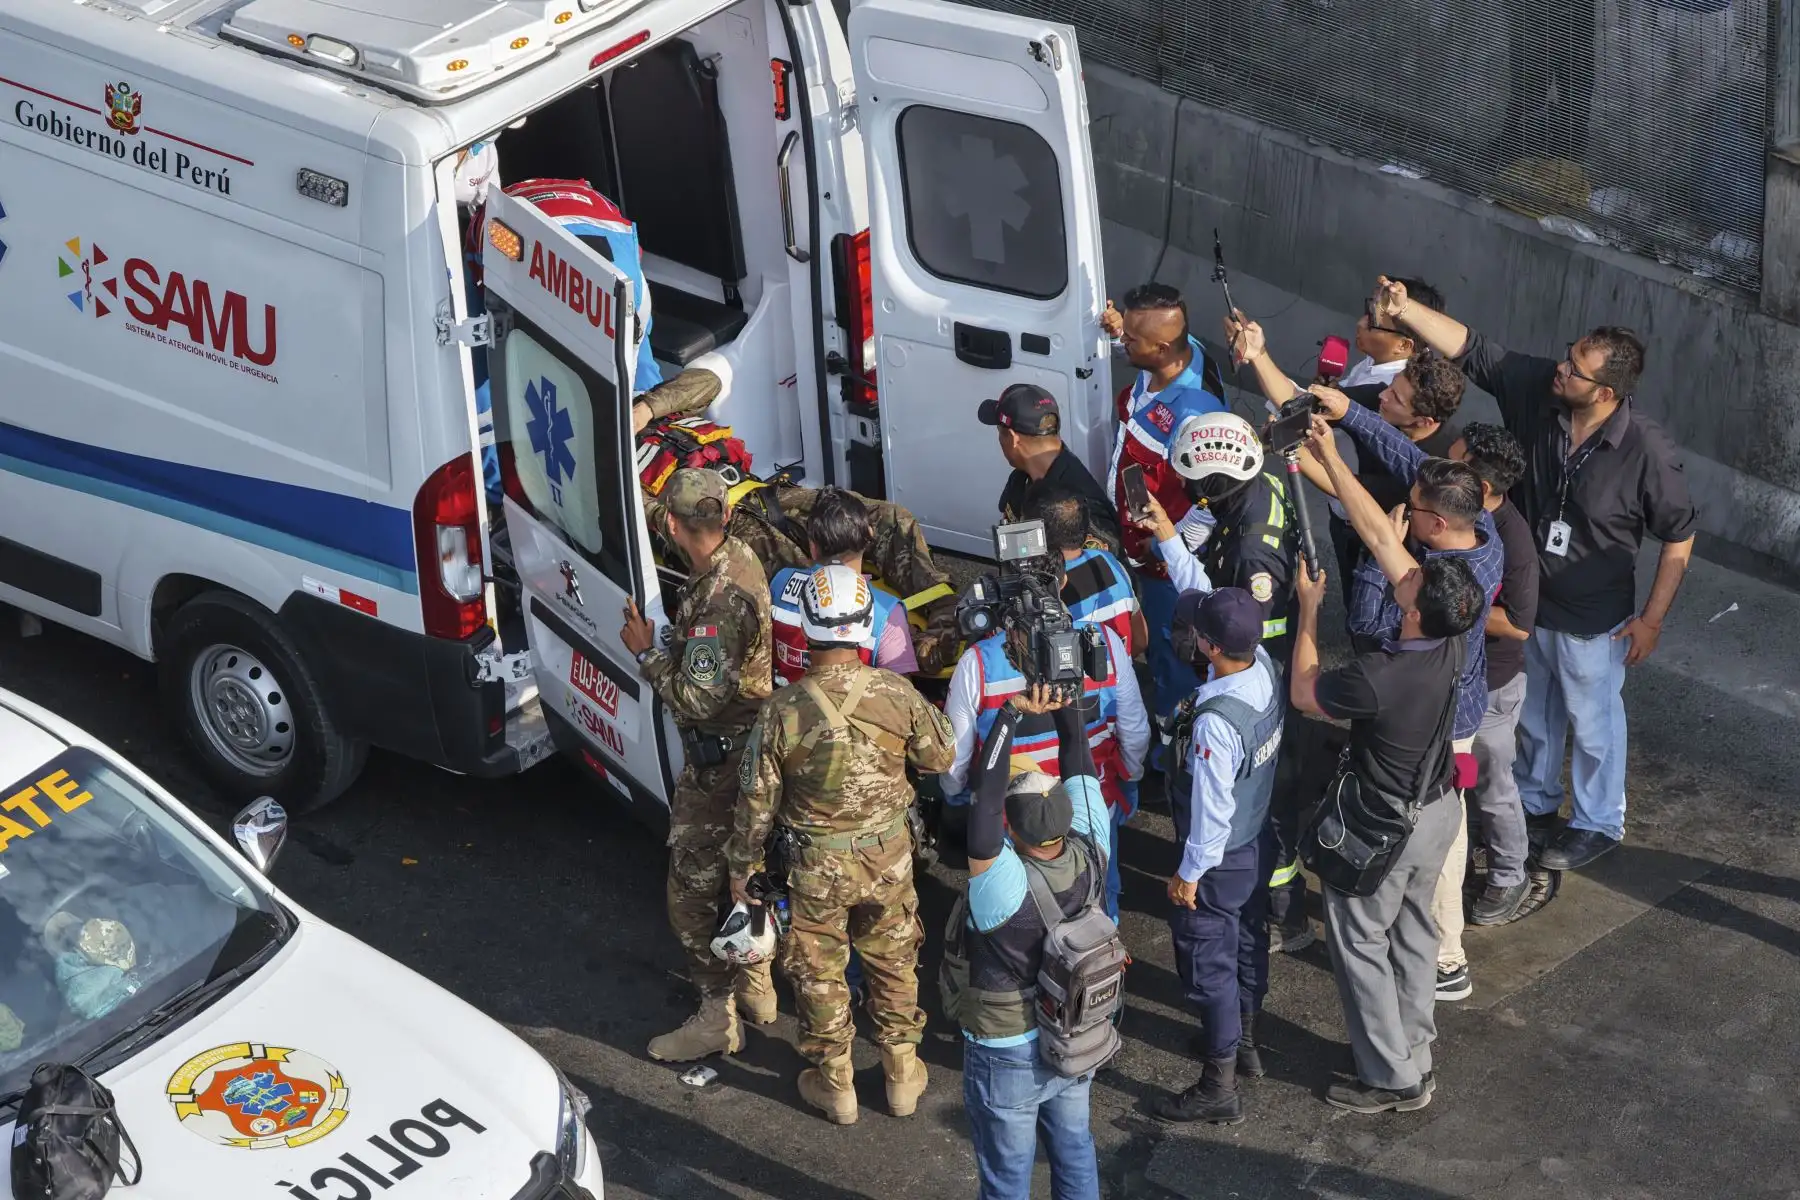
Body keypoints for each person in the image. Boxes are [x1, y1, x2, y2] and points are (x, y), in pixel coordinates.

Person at [1372, 277, 1698, 870]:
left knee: (1594, 723)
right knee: (1537, 715)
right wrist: (1407, 310)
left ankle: (1599, 821)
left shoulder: (1646, 450)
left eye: (1575, 368)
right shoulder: (1540, 391)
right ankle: (1539, 800)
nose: (1561, 368)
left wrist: (1651, 621)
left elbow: (1678, 535)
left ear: (1604, 393)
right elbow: (1473, 348)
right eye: (1568, 355)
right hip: (1530, 605)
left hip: (1594, 618)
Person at [726, 565, 955, 1124]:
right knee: (894, 959)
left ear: (805, 628)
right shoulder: (897, 694)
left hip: (813, 865)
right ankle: (902, 1075)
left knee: (820, 970)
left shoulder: (781, 711)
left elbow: (756, 803)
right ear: (864, 627)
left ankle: (837, 1085)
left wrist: (743, 869)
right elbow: (942, 758)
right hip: (888, 857)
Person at [1303, 407, 1501, 1002]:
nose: (1403, 514)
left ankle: (1445, 958)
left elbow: (1377, 560)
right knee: (1452, 822)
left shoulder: (1435, 583)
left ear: (1436, 523)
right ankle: (1441, 947)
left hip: (1438, 725)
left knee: (1438, 830)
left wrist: (1335, 463)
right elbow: (1389, 522)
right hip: (1464, 716)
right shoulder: (1482, 544)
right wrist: (1343, 430)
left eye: (1414, 510)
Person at [1291, 547, 1486, 1114]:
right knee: (1415, 930)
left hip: (1385, 826)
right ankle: (1415, 1050)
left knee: (1359, 940)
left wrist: (1308, 610)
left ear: (1419, 611)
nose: (1408, 570)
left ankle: (1391, 1077)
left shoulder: (1383, 677)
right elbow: (1402, 569)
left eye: (1417, 575)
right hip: (1439, 809)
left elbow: (1305, 692)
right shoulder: (1454, 637)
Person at [1134, 412, 1309, 952]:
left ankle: (1284, 912)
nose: (1185, 488)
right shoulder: (1254, 488)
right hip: (1252, 665)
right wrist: (1170, 534)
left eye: (1191, 482)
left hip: (1261, 671)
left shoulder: (1252, 552)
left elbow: (1236, 618)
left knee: (1262, 794)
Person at [618, 469, 775, 1061]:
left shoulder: (716, 606)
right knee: (749, 868)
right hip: (750, 749)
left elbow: (696, 698)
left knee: (690, 893)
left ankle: (717, 1014)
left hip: (722, 763)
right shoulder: (739, 553)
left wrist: (647, 653)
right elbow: (670, 519)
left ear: (685, 529)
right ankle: (758, 983)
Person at [957, 684, 1109, 1199]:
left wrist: (1008, 717)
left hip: (1007, 1046)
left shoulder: (1000, 883)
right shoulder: (1093, 848)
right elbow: (1079, 755)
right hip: (1072, 1029)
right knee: (1075, 1147)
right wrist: (1067, 703)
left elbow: (984, 796)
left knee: (1006, 1177)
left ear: (1012, 832)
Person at [940, 575, 1148, 921]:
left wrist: (957, 798)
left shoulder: (976, 664)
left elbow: (954, 767)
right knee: (1100, 905)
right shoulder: (1105, 642)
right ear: (1063, 579)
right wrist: (1127, 782)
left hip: (1013, 828)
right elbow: (1133, 734)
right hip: (1096, 810)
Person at [1152, 589, 1282, 1126]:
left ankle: (1218, 1084)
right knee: (1248, 937)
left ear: (1209, 646)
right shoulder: (1264, 664)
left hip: (1219, 857)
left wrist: (1187, 875)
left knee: (1210, 963)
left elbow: (1210, 814)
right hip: (1255, 842)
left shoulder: (1214, 725)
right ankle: (1244, 1038)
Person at [1230, 313, 1464, 604]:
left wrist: (1290, 446)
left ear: (1424, 421)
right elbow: (1302, 401)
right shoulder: (1384, 396)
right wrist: (1258, 354)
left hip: (1390, 561)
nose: (1383, 397)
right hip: (1345, 523)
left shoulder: (1433, 469)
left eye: (1397, 399)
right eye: (1391, 387)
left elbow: (1340, 484)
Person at [1098, 284, 1228, 717]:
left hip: (1162, 568)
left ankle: (1171, 753)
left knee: (1171, 661)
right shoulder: (1171, 355)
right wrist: (1124, 330)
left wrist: (1168, 550)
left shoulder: (1195, 416)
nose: (1123, 343)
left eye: (1132, 339)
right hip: (1135, 545)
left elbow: (1210, 505)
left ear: (1164, 347)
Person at [1028, 487, 1147, 918]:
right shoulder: (1111, 565)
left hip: (1055, 761)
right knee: (1103, 870)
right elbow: (1140, 635)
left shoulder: (1043, 597)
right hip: (1105, 748)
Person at [1450, 424, 1539, 926]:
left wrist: (1454, 607)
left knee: (1492, 783)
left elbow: (1521, 626)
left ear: (1482, 490)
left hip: (1492, 688)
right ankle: (1466, 851)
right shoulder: (1459, 514)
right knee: (1460, 778)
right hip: (1456, 677)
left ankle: (1509, 873)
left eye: (1456, 464)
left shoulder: (1515, 542)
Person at [769, 487, 918, 685]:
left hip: (787, 708)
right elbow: (899, 695)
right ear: (869, 536)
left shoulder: (779, 582)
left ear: (813, 547)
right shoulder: (887, 612)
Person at [986, 384, 1121, 553]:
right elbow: (1013, 550)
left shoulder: (1079, 509)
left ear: (1014, 438)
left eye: (1000, 431)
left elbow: (1100, 574)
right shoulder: (1021, 479)